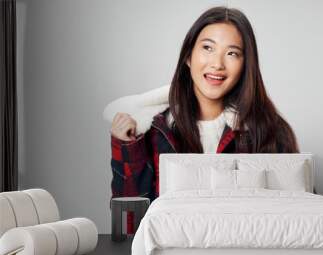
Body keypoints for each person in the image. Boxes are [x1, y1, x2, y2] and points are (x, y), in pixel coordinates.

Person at [109, 6, 299, 233]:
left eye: (232, 53)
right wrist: (128, 147)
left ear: (245, 65)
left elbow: (293, 218)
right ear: (188, 56)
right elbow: (131, 225)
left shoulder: (270, 129)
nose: (217, 63)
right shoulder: (154, 130)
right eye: (208, 48)